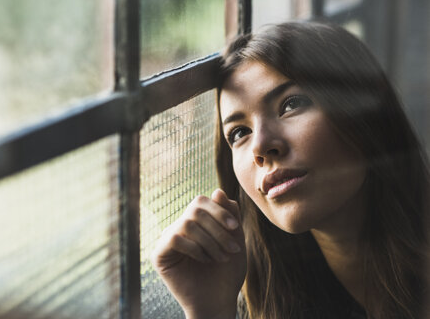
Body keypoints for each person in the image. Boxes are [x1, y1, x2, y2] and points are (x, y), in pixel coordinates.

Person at [151, 21, 430, 319]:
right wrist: (208, 310)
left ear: (367, 114)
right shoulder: (278, 301)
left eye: (291, 104)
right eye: (239, 133)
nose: (260, 146)